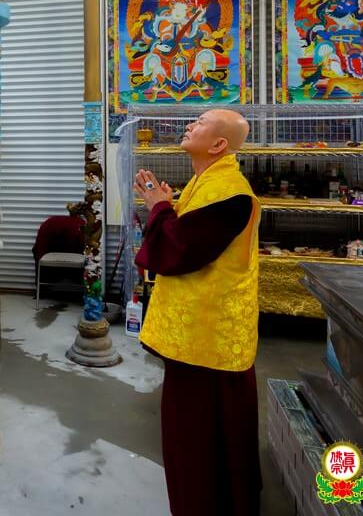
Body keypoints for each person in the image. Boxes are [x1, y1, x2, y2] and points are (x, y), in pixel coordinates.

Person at [133, 108, 261, 516]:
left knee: (201, 445)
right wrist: (164, 205)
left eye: (200, 123)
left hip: (210, 345)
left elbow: (178, 250)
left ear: (219, 144)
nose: (189, 126)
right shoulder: (206, 182)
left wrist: (158, 206)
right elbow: (183, 236)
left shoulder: (230, 192)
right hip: (199, 340)